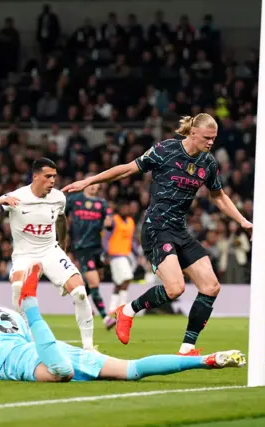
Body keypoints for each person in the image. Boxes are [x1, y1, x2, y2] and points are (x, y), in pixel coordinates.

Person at [63, 114, 253, 355]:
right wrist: (89, 180)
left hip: (179, 230)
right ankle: (127, 311)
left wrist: (243, 221)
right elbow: (126, 170)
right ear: (193, 133)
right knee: (175, 288)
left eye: (213, 139)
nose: (210, 143)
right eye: (206, 138)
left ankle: (187, 348)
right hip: (156, 228)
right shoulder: (165, 150)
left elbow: (219, 196)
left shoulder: (208, 163)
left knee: (211, 286)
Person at [0, 271, 245, 381]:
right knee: (132, 369)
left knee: (60, 373)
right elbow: (34, 344)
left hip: (20, 361)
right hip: (46, 349)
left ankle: (32, 304)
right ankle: (202, 362)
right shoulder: (6, 312)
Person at [0, 158, 96, 350]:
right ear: (35, 176)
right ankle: (30, 340)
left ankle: (88, 347)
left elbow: (61, 220)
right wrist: (0, 200)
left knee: (80, 293)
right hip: (25, 255)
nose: (52, 181)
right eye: (48, 176)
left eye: (54, 176)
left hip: (50, 251)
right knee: (17, 287)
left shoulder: (58, 197)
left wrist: (62, 245)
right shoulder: (17, 196)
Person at [64, 176, 116, 330]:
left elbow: (110, 222)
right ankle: (105, 317)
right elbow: (62, 216)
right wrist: (65, 238)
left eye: (96, 185)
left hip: (97, 247)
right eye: (91, 184)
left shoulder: (102, 203)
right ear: (85, 185)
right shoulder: (74, 200)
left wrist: (109, 223)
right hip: (82, 246)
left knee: (98, 278)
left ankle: (80, 299)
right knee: (94, 282)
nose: (93, 187)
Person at [104, 199, 136, 313]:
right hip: (115, 254)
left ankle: (112, 308)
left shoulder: (131, 221)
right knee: (127, 278)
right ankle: (122, 308)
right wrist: (106, 252)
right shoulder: (114, 221)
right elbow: (106, 237)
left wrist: (136, 251)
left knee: (119, 283)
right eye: (123, 208)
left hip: (126, 254)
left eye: (127, 208)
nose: (126, 210)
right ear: (119, 209)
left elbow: (131, 239)